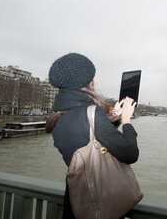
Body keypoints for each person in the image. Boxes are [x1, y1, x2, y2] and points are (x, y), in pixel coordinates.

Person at [46, 53, 139, 219]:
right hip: (103, 202)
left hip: (78, 202)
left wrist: (115, 116)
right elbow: (130, 153)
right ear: (88, 82)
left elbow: (89, 137)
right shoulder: (93, 113)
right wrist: (126, 120)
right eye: (92, 78)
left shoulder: (57, 117)